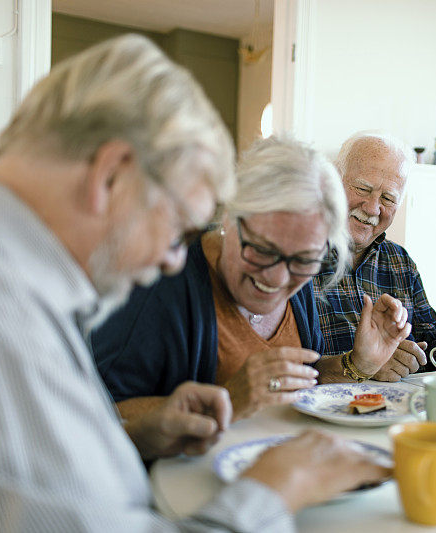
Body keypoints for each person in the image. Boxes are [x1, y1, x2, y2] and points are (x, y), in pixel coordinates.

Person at [0, 35, 389, 532]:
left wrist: (145, 430)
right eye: (178, 226)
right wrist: (273, 489)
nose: (174, 260)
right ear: (111, 175)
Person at [92, 135, 412, 422]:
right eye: (261, 250)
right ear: (231, 217)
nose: (277, 278)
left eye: (302, 259)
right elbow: (98, 415)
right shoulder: (161, 284)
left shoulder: (299, 282)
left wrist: (358, 363)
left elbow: (301, 381)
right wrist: (226, 402)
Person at [312, 132, 436, 382]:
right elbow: (280, 364)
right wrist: (362, 366)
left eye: (388, 198)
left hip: (397, 410)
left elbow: (428, 334)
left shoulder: (399, 261)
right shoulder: (299, 254)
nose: (372, 208)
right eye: (362, 188)